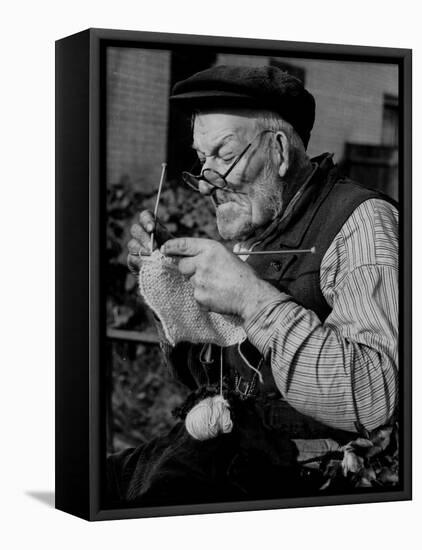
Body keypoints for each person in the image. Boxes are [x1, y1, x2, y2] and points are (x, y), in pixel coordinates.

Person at [107, 65, 398, 505]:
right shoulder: (257, 229)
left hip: (303, 483)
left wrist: (251, 298)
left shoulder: (363, 226)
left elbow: (374, 396)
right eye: (202, 160)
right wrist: (176, 293)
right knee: (90, 479)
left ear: (279, 150)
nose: (206, 183)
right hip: (221, 450)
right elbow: (202, 376)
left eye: (223, 154)